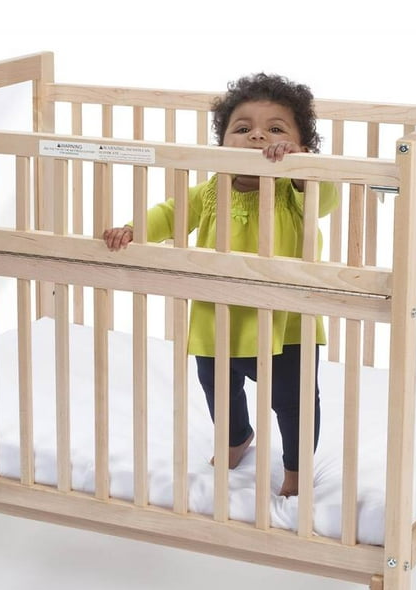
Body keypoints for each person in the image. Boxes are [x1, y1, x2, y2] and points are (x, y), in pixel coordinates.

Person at [103, 73, 339, 496]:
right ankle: (236, 438)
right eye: (243, 128)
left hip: (285, 324)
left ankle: (297, 470)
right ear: (221, 144)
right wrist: (133, 229)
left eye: (276, 129)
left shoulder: (294, 194)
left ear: (303, 148)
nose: (258, 136)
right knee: (218, 388)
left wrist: (301, 170)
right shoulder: (210, 193)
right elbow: (169, 213)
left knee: (294, 401)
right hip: (217, 315)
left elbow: (326, 199)